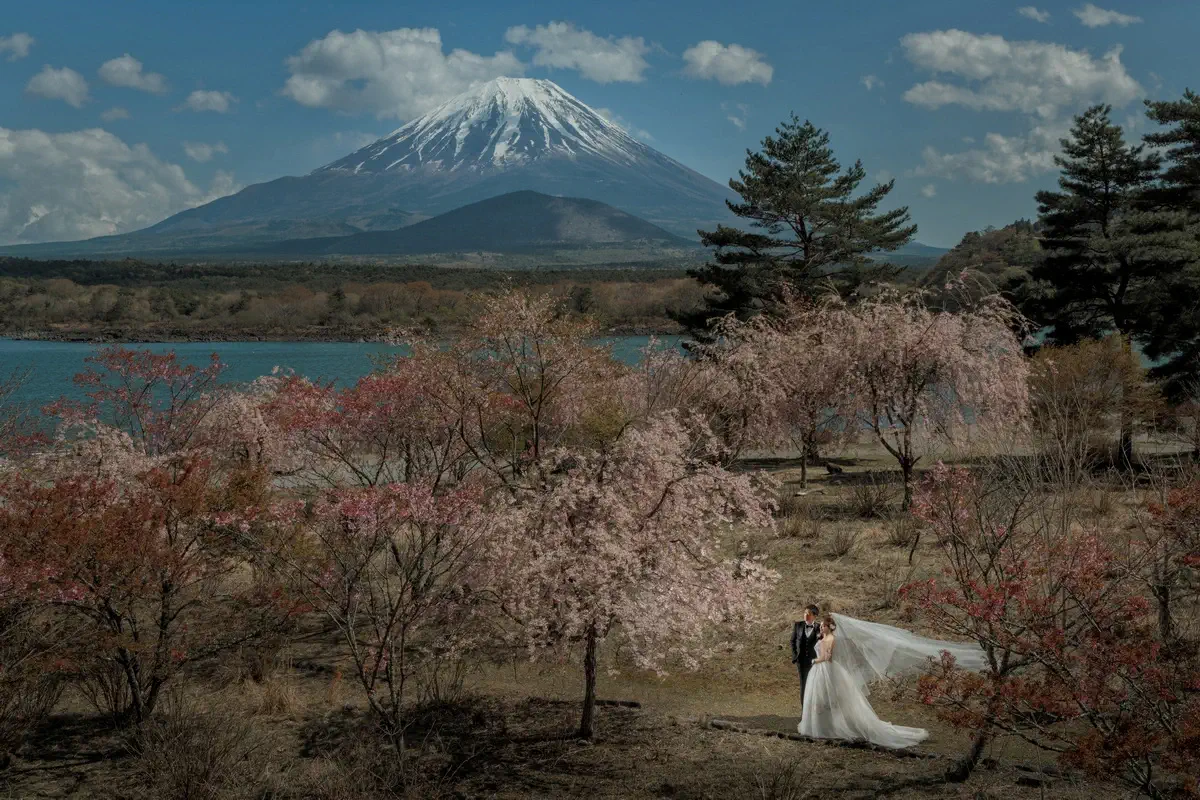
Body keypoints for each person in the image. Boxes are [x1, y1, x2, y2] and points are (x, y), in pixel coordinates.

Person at [797, 613, 990, 749]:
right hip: (825, 671)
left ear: (829, 627)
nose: (820, 627)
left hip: (824, 669)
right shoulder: (828, 637)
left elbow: (828, 657)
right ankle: (827, 725)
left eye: (823, 625)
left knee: (828, 699)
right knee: (827, 701)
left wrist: (815, 660)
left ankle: (827, 727)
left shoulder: (829, 639)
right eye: (820, 625)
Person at [790, 604, 822, 709]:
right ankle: (804, 712)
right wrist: (795, 655)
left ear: (814, 616)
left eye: (808, 614)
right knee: (803, 686)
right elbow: (793, 641)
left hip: (814, 662)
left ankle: (814, 711)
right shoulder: (798, 625)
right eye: (805, 613)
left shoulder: (819, 627)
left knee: (814, 686)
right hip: (801, 661)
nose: (805, 615)